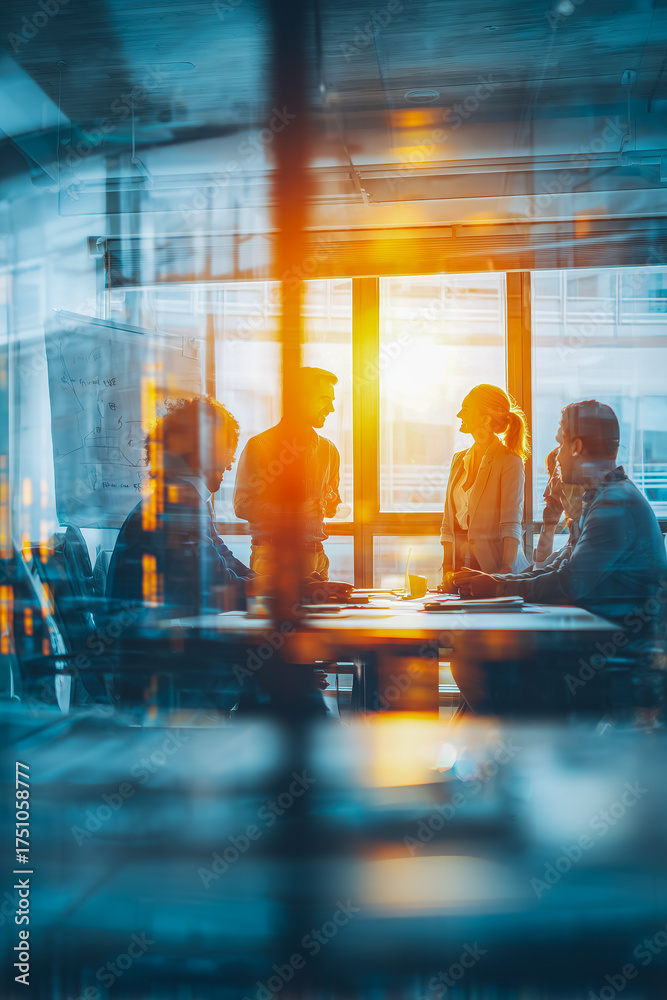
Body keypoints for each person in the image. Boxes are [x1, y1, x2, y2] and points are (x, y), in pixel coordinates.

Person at [106, 396, 254, 616]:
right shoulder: (179, 503)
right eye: (227, 450)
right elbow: (217, 586)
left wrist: (266, 581)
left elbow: (223, 557)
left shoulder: (184, 498)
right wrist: (276, 588)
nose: (230, 463)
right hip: (149, 635)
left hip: (158, 626)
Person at [233, 366, 346, 583]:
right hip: (273, 557)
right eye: (325, 399)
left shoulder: (329, 450)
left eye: (332, 401)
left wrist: (331, 502)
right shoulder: (260, 446)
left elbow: (333, 507)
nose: (331, 408)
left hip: (317, 556)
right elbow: (242, 505)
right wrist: (293, 511)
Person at [440, 384, 530, 588]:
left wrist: (504, 573)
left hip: (495, 566)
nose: (459, 414)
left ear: (485, 419)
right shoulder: (458, 460)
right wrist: (447, 568)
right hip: (459, 564)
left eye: (466, 408)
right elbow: (448, 523)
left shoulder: (509, 460)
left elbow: (511, 522)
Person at [531, 446, 584, 570]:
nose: (545, 493)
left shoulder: (585, 525)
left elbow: (544, 571)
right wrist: (549, 528)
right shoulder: (575, 526)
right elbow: (542, 567)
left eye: (553, 477)